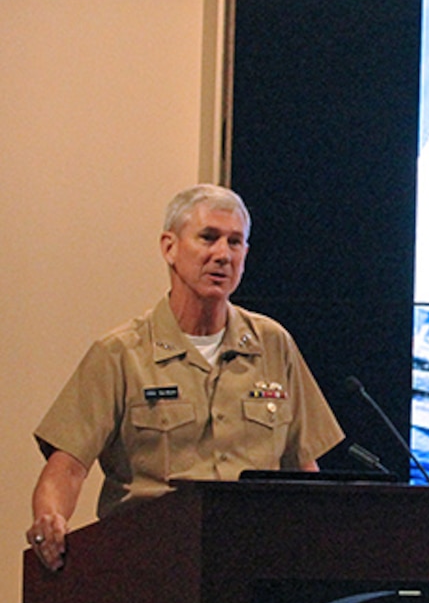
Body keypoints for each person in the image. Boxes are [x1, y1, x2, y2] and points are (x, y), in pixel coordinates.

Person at [27, 184, 344, 571]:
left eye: (235, 242)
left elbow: (303, 469)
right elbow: (68, 467)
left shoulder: (273, 344)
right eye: (208, 238)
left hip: (254, 565)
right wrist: (50, 518)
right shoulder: (121, 353)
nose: (222, 255)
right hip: (150, 566)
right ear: (169, 248)